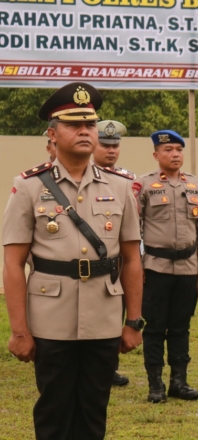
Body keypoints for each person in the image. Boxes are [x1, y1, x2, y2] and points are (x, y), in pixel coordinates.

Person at [3, 82, 143, 439]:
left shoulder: (121, 186)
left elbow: (130, 258)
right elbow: (13, 263)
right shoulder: (30, 186)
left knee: (94, 409)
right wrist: (20, 330)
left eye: (90, 125)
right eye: (73, 125)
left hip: (104, 317)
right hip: (51, 319)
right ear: (52, 133)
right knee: (53, 410)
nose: (85, 131)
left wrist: (135, 321)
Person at [135, 130, 198, 403]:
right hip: (155, 267)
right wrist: (136, 266)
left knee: (181, 327)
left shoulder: (195, 185)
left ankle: (178, 382)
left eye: (179, 149)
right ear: (156, 155)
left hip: (188, 268)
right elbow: (133, 230)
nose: (175, 154)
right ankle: (155, 384)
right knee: (155, 327)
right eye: (168, 150)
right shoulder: (143, 185)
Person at [94, 119, 135, 387]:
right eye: (105, 145)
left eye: (115, 145)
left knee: (116, 311)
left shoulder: (127, 180)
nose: (111, 150)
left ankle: (109, 367)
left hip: (120, 260)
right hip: (91, 260)